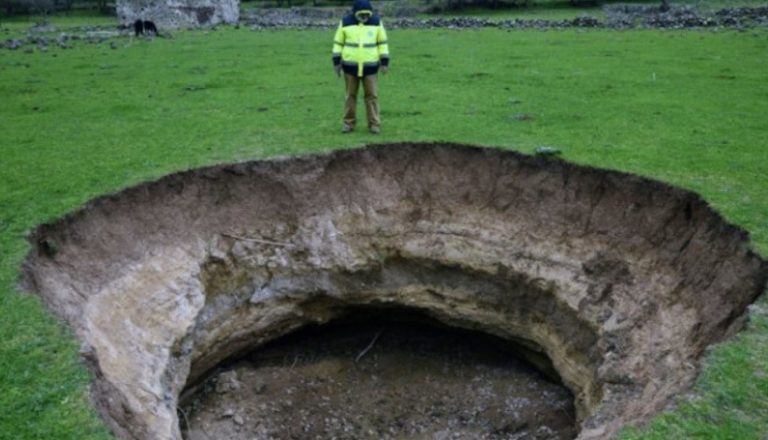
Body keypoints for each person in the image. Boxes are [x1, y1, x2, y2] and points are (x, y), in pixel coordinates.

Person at [332, 0, 390, 134]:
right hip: (350, 68)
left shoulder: (376, 22)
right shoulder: (345, 22)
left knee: (372, 96)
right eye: (361, 14)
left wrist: (385, 62)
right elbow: (338, 43)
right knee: (350, 96)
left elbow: (382, 43)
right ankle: (348, 124)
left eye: (367, 14)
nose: (364, 17)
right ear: (355, 13)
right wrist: (336, 62)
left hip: (370, 68)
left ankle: (374, 124)